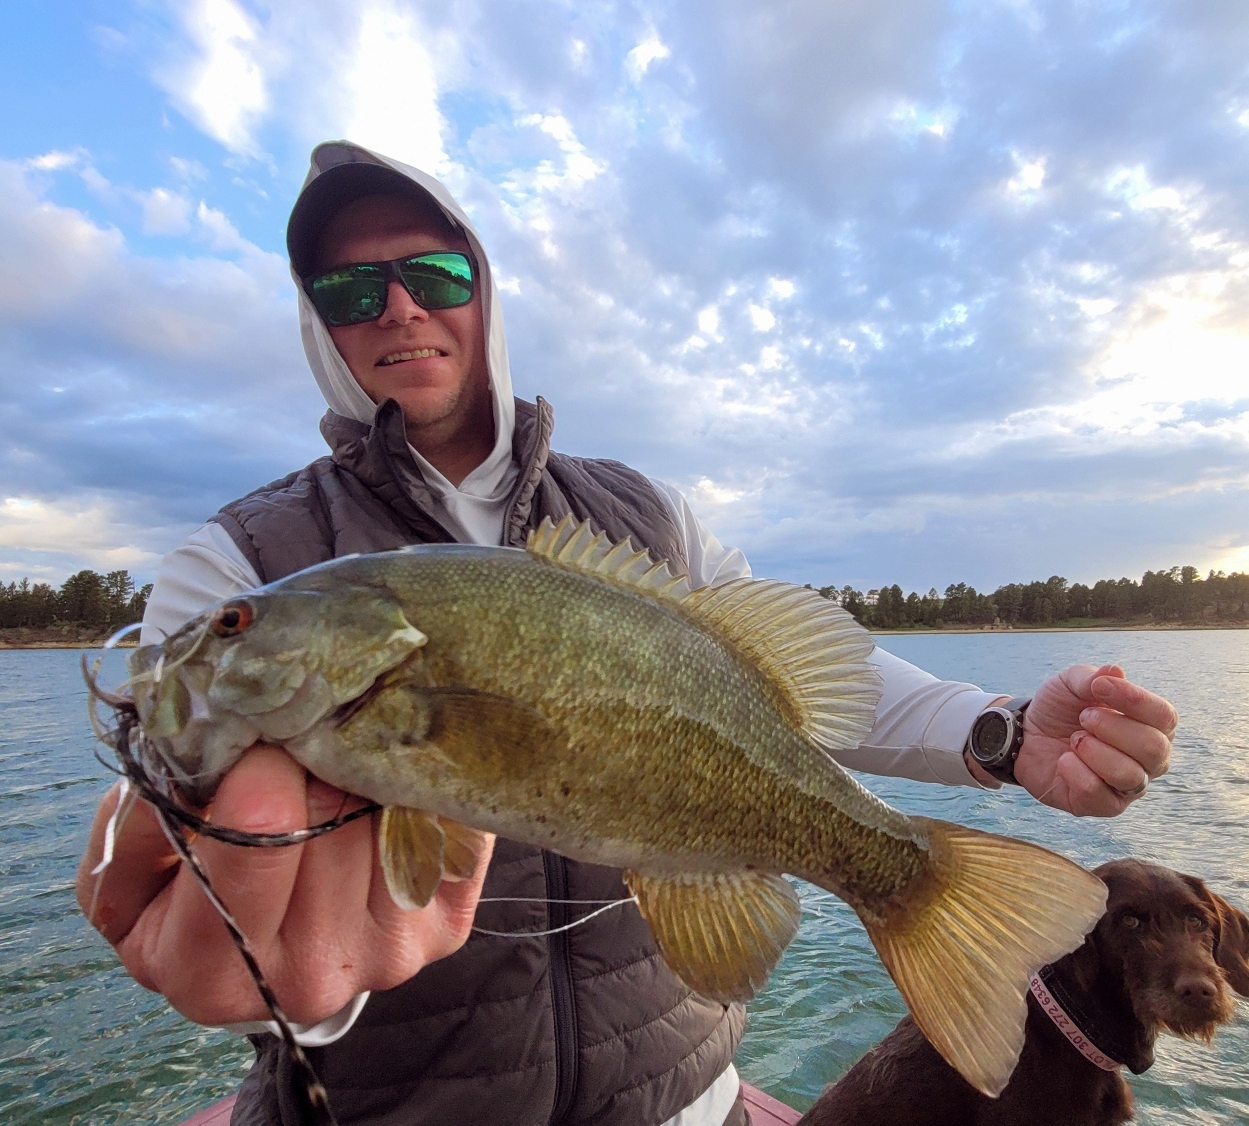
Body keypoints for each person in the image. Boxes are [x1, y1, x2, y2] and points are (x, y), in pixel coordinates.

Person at [77, 142, 1177, 1126]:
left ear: (485, 293)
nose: (400, 308)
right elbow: (159, 778)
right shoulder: (235, 564)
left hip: (682, 1101)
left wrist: (1000, 731)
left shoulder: (643, 511)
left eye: (436, 274)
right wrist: (240, 943)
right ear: (319, 323)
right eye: (352, 289)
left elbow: (812, 686)